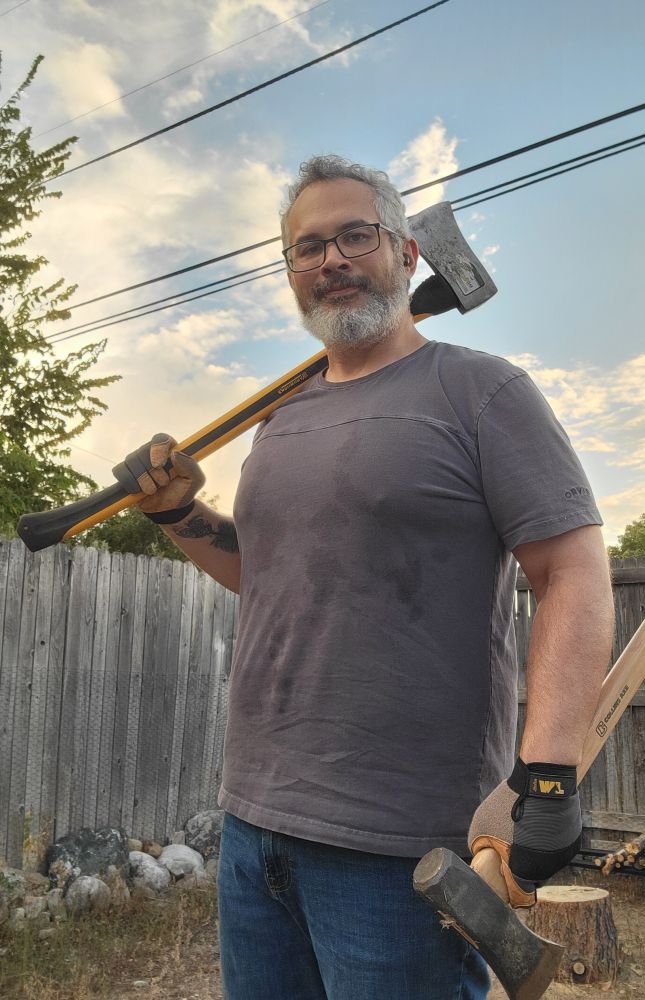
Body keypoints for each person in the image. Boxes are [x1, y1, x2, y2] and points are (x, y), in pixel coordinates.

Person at [117, 155, 614, 999]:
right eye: (308, 248)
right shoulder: (280, 418)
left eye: (356, 236)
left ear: (408, 253)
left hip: (404, 849)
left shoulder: (481, 392)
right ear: (290, 272)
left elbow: (572, 571)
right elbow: (267, 575)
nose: (332, 261)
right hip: (254, 825)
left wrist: (549, 773)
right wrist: (176, 515)